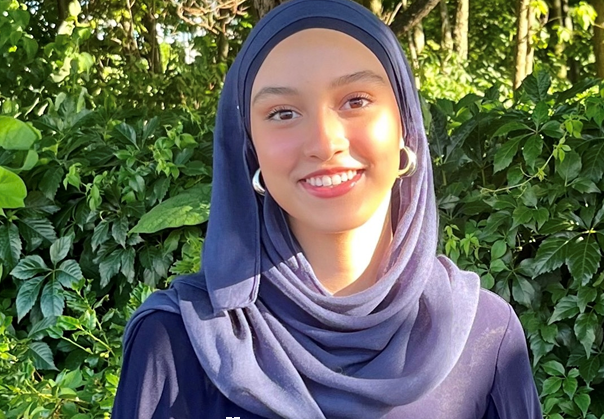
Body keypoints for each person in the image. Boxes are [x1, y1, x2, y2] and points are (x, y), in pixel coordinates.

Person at [112, 0, 543, 417]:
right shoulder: (178, 340)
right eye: (283, 113)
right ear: (250, 149)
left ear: (405, 126)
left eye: (356, 101)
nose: (324, 142)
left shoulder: (485, 337)